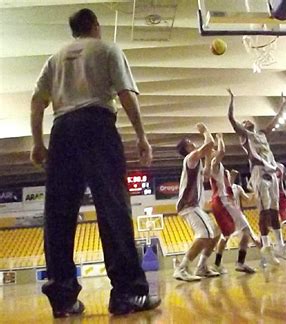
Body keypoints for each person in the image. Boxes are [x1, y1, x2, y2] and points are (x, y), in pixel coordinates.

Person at [30, 8, 159, 317]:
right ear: (95, 26)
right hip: (96, 124)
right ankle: (127, 294)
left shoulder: (55, 57)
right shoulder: (107, 48)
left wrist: (38, 143)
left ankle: (63, 299)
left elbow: (37, 102)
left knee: (58, 215)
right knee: (113, 207)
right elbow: (127, 94)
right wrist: (142, 136)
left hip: (62, 130)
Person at [227, 89, 286, 264]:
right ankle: (266, 245)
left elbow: (275, 121)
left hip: (271, 172)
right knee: (264, 211)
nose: (247, 121)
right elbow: (231, 119)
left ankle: (280, 246)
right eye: (244, 121)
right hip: (259, 172)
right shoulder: (245, 136)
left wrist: (282, 105)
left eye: (248, 120)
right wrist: (232, 100)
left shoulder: (261, 134)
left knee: (274, 210)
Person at [174, 123, 221, 281]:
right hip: (189, 205)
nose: (192, 142)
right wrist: (205, 130)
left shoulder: (197, 162)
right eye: (189, 142)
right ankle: (182, 268)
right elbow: (209, 145)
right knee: (205, 234)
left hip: (195, 206)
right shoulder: (191, 158)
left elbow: (209, 159)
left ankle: (202, 266)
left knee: (216, 232)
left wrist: (208, 161)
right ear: (186, 148)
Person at [207, 134, 257, 274]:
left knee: (226, 235)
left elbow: (228, 183)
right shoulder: (214, 164)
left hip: (225, 202)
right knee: (245, 231)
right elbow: (222, 151)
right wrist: (220, 138)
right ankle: (239, 263)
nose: (215, 150)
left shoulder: (220, 169)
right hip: (225, 202)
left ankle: (215, 263)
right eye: (212, 150)